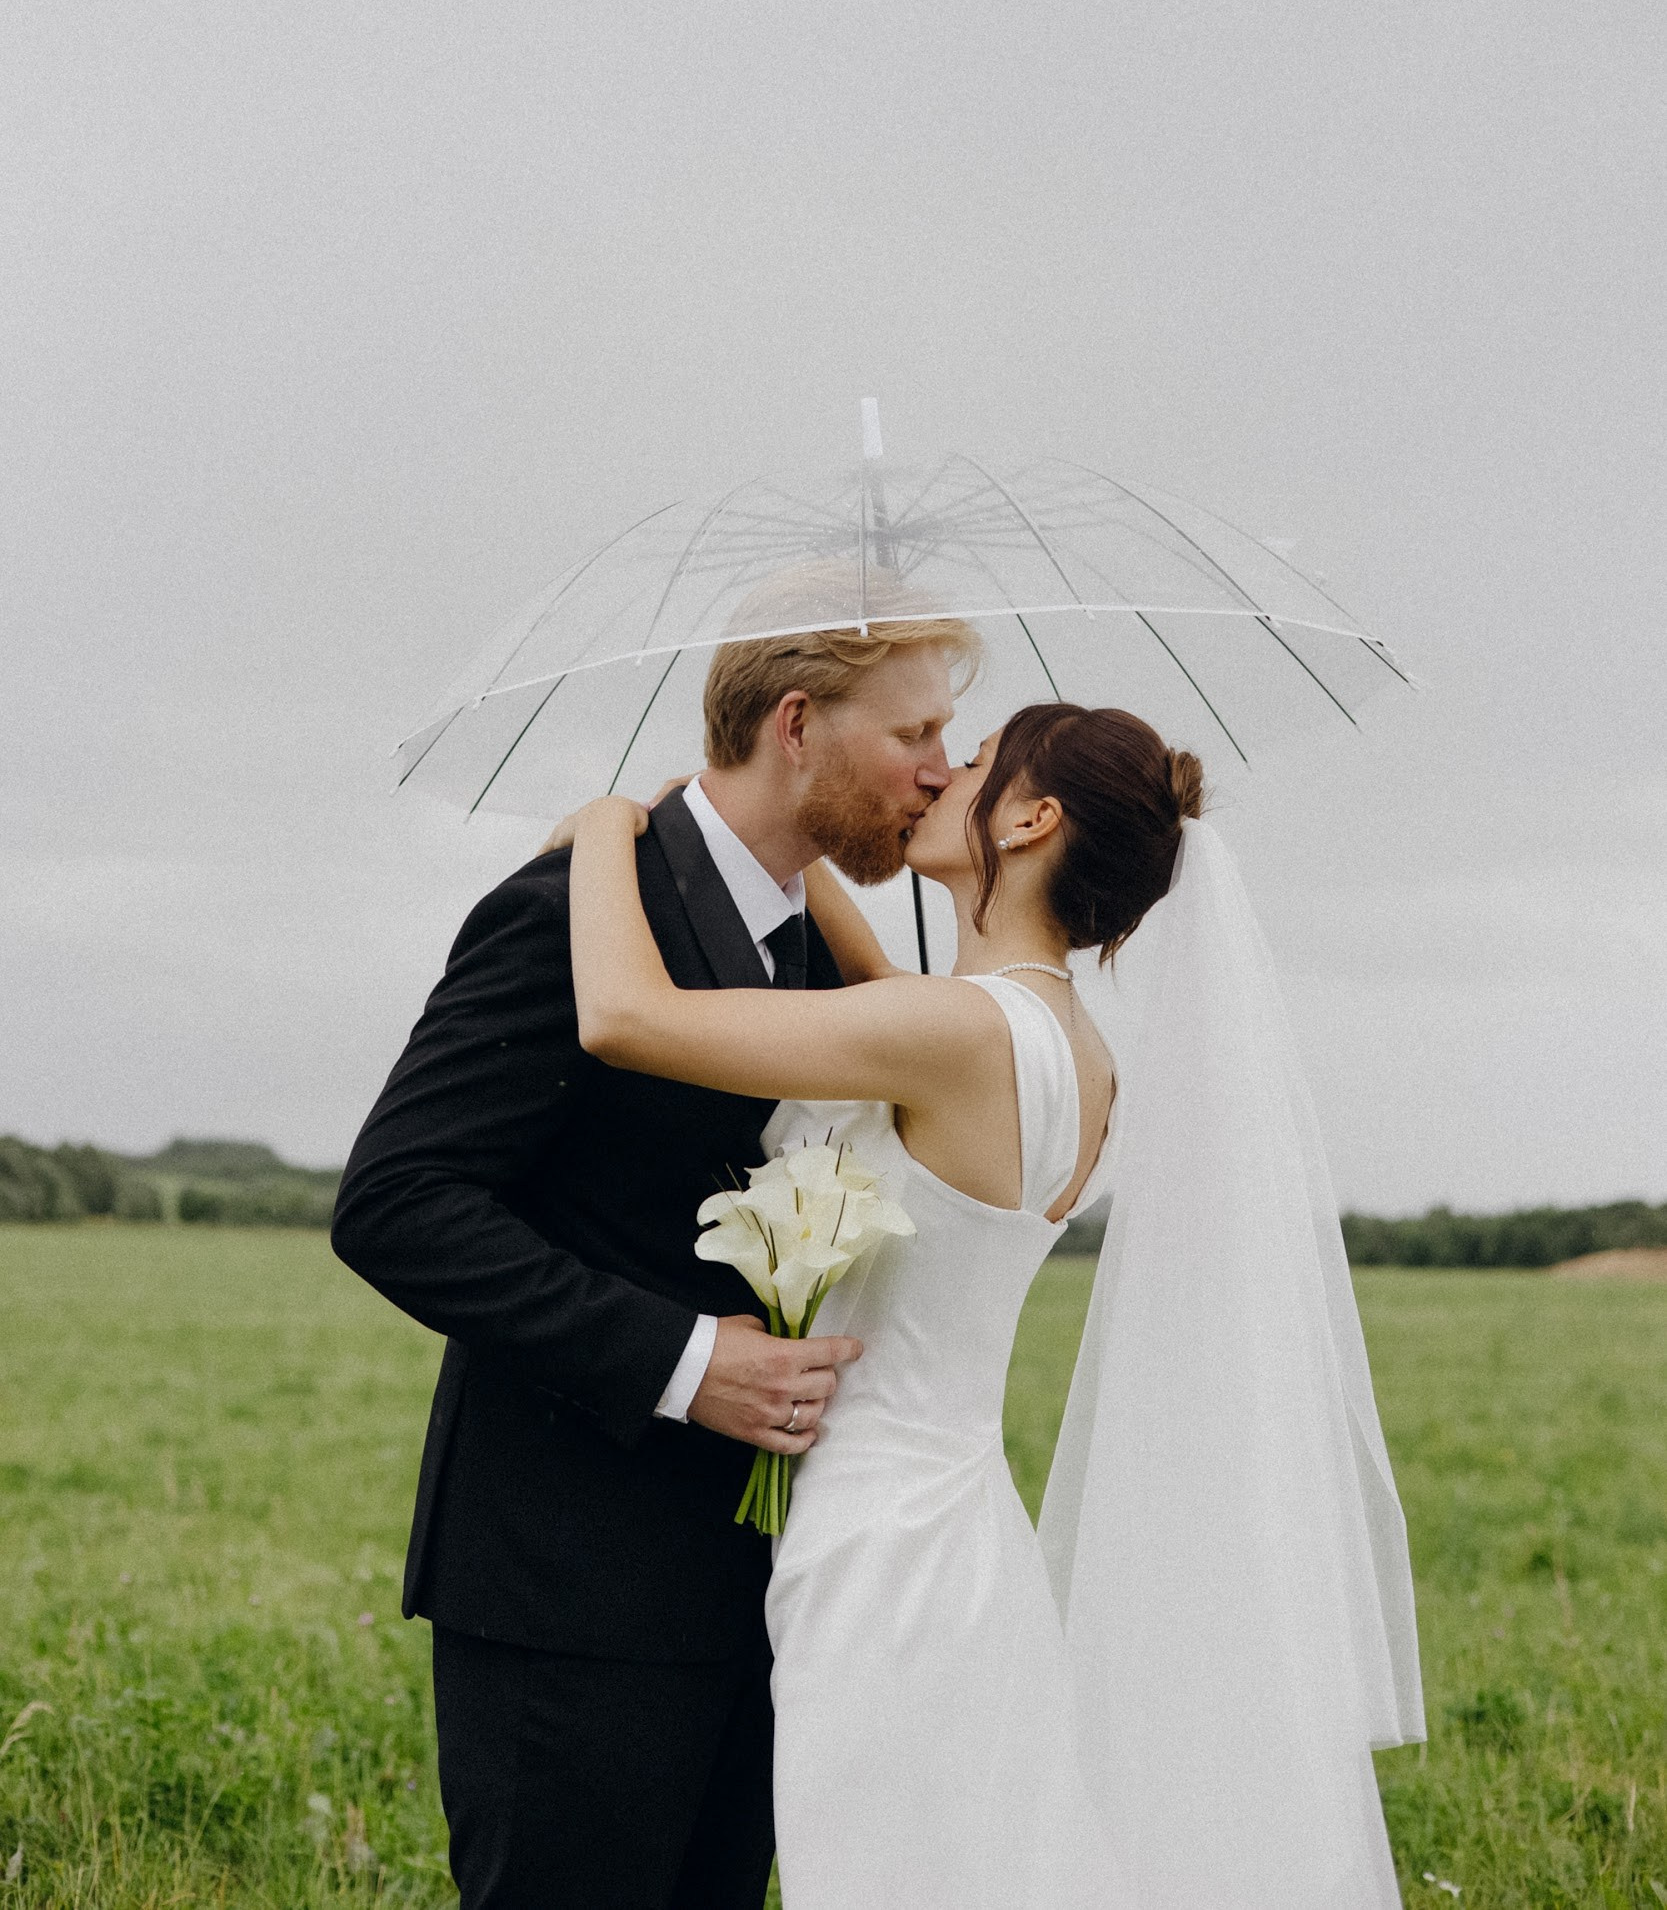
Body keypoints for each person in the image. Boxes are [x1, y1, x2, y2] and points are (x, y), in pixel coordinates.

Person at [560, 700, 1425, 1910]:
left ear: (1027, 818)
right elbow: (889, 998)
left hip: (877, 1542)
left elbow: (622, 1016)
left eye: (970, 763)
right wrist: (797, 851)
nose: (935, 777)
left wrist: (610, 824)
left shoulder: (952, 1030)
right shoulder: (1073, 1049)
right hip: (960, 1526)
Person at [330, 607, 981, 1910]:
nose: (938, 767)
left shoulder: (826, 955)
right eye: (913, 731)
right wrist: (682, 1363)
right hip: (568, 1590)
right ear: (795, 725)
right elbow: (396, 1201)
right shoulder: (564, 912)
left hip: (771, 1591)